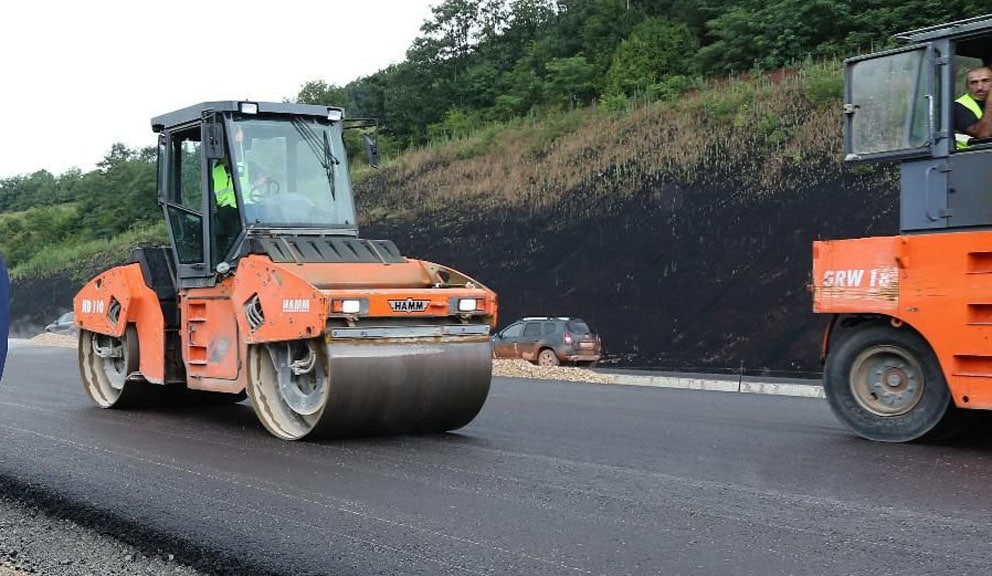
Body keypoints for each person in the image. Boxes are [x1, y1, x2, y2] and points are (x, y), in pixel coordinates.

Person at [954, 65, 992, 149]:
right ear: (967, 87)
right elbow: (984, 135)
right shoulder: (959, 106)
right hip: (969, 158)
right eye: (974, 82)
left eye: (985, 81)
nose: (979, 87)